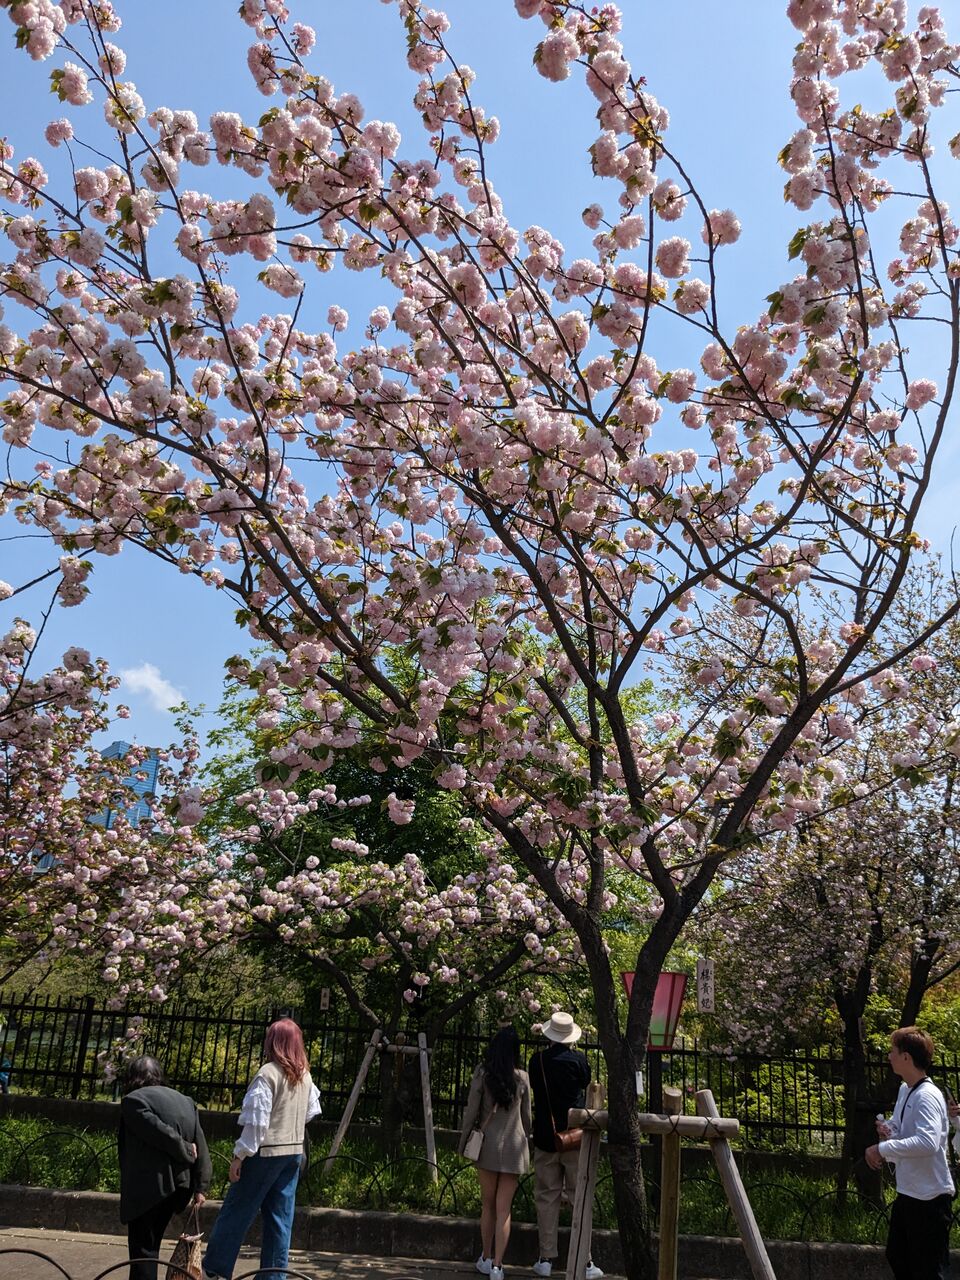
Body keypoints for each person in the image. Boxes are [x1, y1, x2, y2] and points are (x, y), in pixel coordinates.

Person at [203, 1018, 321, 1280]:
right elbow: (311, 1112)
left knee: (237, 1210)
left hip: (265, 1153)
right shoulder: (305, 1076)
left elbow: (257, 1123)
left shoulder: (268, 1074)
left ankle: (215, 1269)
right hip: (293, 1153)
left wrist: (239, 1155)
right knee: (280, 1218)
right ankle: (274, 1275)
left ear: (273, 1042)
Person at [865, 1026, 954, 1280]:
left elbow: (927, 1142)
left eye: (893, 1051)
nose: (889, 1056)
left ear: (906, 1057)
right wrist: (889, 1129)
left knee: (927, 1270)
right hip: (909, 1192)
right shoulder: (906, 1089)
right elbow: (903, 1127)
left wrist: (882, 1148)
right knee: (898, 1256)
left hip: (930, 1197)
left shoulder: (927, 1096)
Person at [117, 1055, 211, 1280]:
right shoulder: (185, 1101)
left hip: (150, 1187)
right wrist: (201, 1185)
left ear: (133, 1078)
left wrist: (186, 1149)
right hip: (179, 1187)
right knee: (151, 1245)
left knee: (144, 1250)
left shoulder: (133, 1101)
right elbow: (202, 1144)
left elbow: (159, 1132)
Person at [527, 1013, 602, 1280]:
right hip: (574, 1137)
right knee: (578, 1196)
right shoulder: (579, 1061)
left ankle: (546, 1257)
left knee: (546, 1196)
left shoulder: (537, 1061)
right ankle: (585, 1259)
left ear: (549, 1035)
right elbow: (585, 1084)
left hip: (545, 1137)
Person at [459, 1025, 532, 1280]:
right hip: (514, 1148)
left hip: (487, 1146)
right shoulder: (522, 1077)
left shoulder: (483, 1073)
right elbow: (527, 1118)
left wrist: (463, 1142)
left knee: (488, 1205)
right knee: (504, 1209)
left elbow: (471, 1111)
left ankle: (486, 1257)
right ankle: (498, 1267)